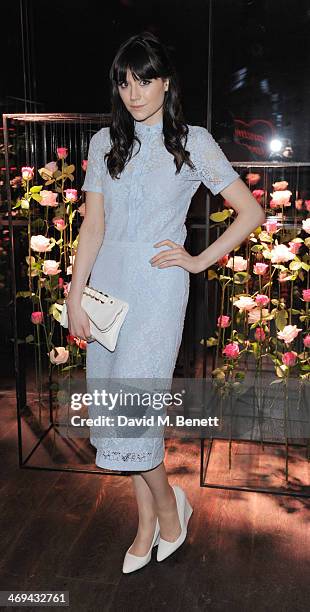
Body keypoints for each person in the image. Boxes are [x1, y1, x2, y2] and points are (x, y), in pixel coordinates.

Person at [66, 32, 265, 573]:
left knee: (135, 413)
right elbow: (93, 225)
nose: (135, 92)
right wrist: (74, 291)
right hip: (108, 285)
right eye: (125, 81)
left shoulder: (193, 141)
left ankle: (170, 511)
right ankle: (150, 519)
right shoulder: (102, 143)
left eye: (145, 79)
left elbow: (249, 211)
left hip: (157, 290)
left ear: (166, 82)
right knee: (116, 409)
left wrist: (198, 261)